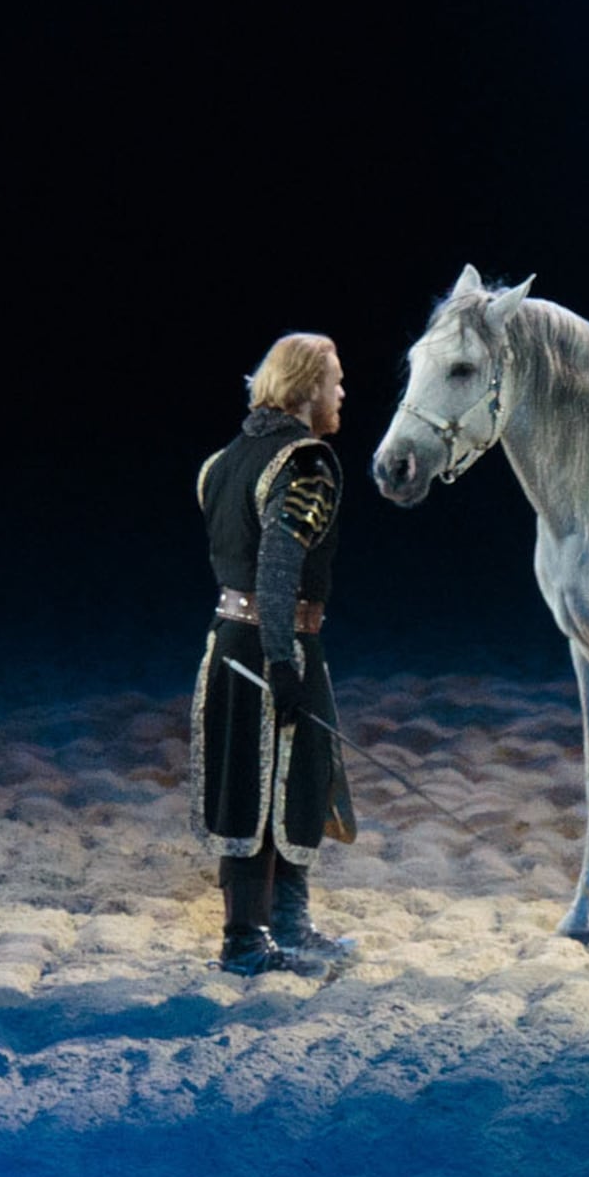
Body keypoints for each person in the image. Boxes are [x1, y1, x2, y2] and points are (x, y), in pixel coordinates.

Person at [192, 331, 359, 975]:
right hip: (275, 647)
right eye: (336, 380)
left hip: (230, 644)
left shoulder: (226, 458)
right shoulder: (306, 461)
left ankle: (287, 924)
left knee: (287, 782)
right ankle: (244, 941)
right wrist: (283, 660)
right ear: (308, 386)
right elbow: (277, 566)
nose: (342, 392)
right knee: (258, 792)